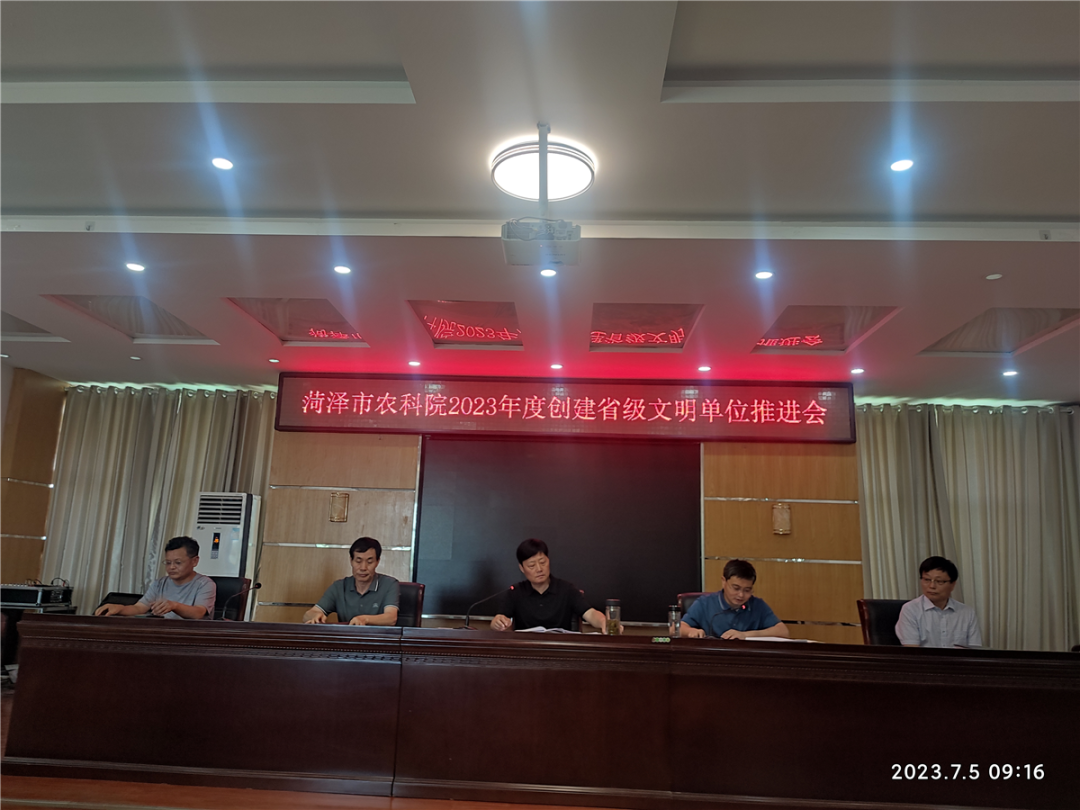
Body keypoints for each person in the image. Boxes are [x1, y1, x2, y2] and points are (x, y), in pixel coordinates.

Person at [490, 539, 620, 633]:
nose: (539, 569)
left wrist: (604, 622)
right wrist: (497, 623)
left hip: (561, 651)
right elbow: (499, 618)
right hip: (527, 651)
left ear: (548, 561)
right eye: (531, 565)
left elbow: (590, 613)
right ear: (522, 568)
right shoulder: (515, 592)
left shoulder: (567, 589)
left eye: (542, 562)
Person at [94, 536, 216, 619]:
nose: (172, 567)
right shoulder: (160, 583)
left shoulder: (205, 584)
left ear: (194, 561)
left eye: (178, 563)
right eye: (168, 562)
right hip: (162, 633)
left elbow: (198, 613)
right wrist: (119, 608)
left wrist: (174, 606)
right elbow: (139, 608)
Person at [680, 559, 789, 640]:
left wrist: (745, 635)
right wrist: (691, 631)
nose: (741, 595)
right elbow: (676, 628)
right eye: (736, 588)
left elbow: (783, 632)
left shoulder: (758, 605)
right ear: (724, 582)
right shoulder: (704, 603)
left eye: (747, 590)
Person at [304, 537, 400, 626]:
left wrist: (364, 619)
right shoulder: (339, 586)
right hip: (346, 638)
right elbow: (308, 615)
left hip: (377, 638)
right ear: (351, 560)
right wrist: (315, 616)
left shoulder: (389, 584)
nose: (363, 568)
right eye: (358, 561)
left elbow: (391, 618)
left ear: (377, 562)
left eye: (369, 562)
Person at [895, 556, 982, 648]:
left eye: (939, 581)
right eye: (927, 580)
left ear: (952, 584)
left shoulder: (967, 613)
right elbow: (912, 650)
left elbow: (975, 650)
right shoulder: (911, 610)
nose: (932, 586)